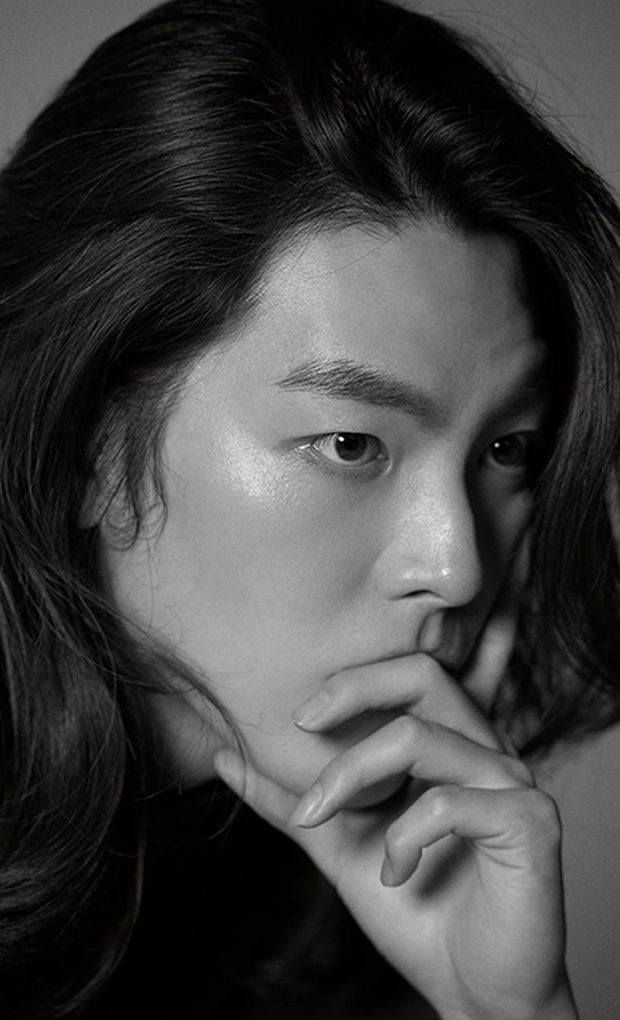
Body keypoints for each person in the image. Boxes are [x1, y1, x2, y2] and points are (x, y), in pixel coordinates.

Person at [1, 0, 619, 1016]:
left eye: (506, 450)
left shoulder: (338, 901)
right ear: (85, 447)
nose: (457, 565)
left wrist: (506, 1009)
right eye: (350, 444)